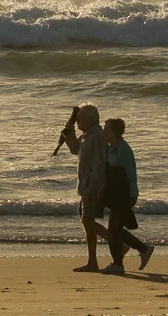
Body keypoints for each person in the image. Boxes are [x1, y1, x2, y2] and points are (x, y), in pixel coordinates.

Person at [55, 104, 110, 272]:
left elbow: (99, 165)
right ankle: (92, 262)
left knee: (87, 221)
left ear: (89, 119)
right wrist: (70, 125)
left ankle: (120, 244)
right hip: (85, 186)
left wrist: (94, 188)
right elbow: (74, 149)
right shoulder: (86, 135)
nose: (78, 123)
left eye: (79, 120)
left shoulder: (97, 137)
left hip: (92, 187)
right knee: (87, 222)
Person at [102, 117, 154, 273]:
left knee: (113, 230)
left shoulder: (122, 149)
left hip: (125, 194)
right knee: (115, 229)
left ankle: (118, 265)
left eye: (106, 129)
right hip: (117, 193)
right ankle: (144, 249)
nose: (103, 132)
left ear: (115, 132)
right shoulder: (112, 147)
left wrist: (125, 197)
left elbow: (127, 175)